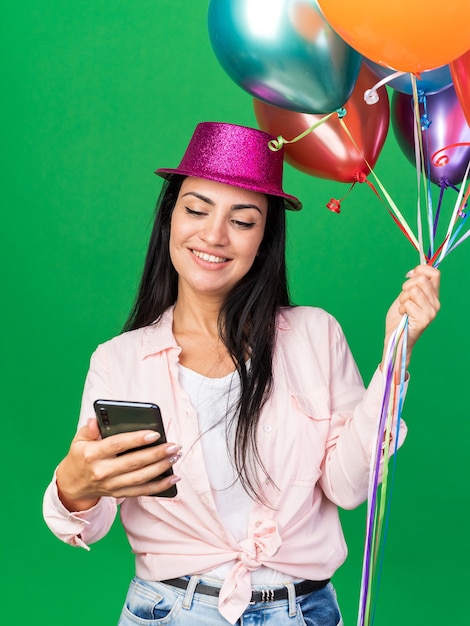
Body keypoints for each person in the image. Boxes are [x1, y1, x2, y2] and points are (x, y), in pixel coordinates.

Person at [43, 122, 440, 626]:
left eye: (243, 220)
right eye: (196, 209)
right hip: (169, 613)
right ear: (169, 219)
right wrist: (74, 484)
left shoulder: (315, 335)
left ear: (264, 238)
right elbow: (88, 523)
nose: (213, 235)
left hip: (304, 612)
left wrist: (394, 358)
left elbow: (347, 487)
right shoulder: (118, 360)